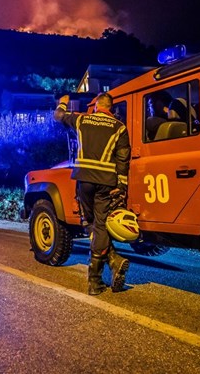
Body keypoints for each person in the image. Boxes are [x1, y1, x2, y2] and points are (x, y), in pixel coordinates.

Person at [54, 93, 131, 295]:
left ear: (95, 107)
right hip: (106, 182)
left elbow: (59, 116)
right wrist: (121, 185)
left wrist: (63, 101)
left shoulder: (82, 119)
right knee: (101, 225)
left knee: (88, 222)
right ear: (111, 109)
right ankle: (103, 270)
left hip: (84, 180)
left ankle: (102, 274)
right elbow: (123, 159)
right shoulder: (119, 127)